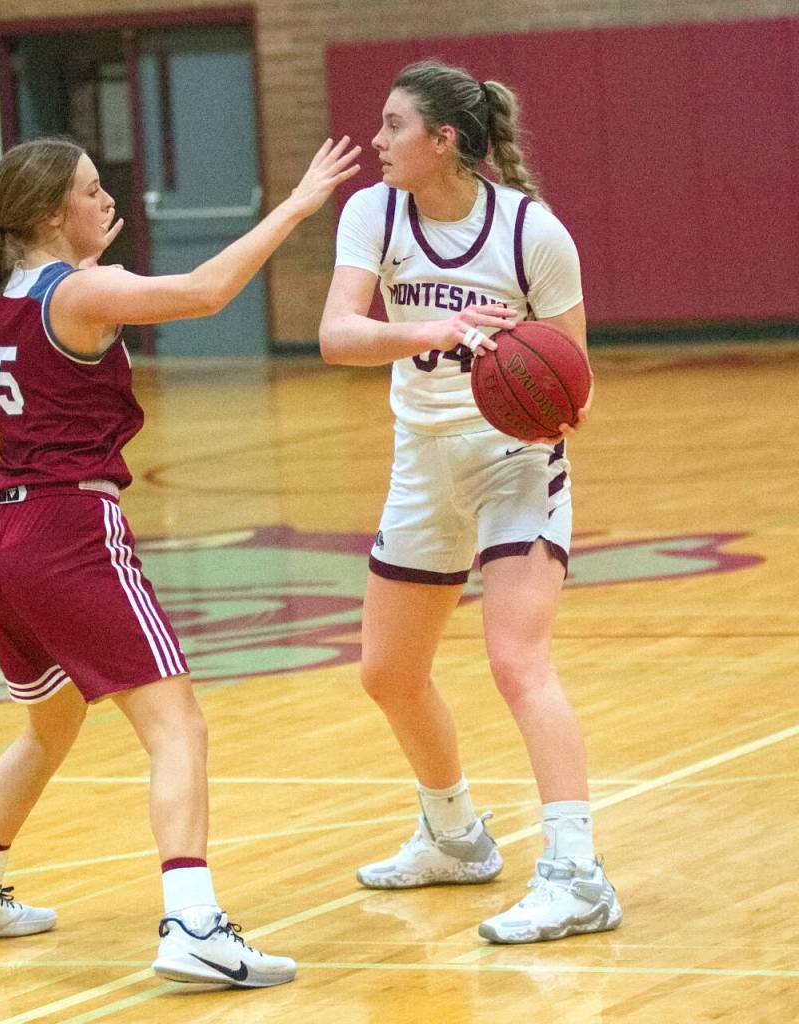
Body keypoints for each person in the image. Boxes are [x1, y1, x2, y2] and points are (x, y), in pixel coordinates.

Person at [0, 132, 360, 987]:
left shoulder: (3, 295)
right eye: (89, 188)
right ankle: (193, 923)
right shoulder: (83, 292)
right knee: (177, 725)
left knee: (50, 726)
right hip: (70, 535)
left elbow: (71, 311)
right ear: (52, 213)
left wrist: (85, 262)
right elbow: (205, 290)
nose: (106, 193)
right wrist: (299, 205)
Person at [318, 60, 621, 943]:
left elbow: (578, 384)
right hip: (422, 459)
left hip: (516, 461)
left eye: (391, 127)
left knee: (516, 662)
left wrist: (526, 392)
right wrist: (427, 332)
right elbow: (339, 335)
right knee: (388, 673)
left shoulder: (534, 232)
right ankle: (454, 834)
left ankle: (577, 873)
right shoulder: (374, 212)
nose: (376, 142)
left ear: (443, 141)